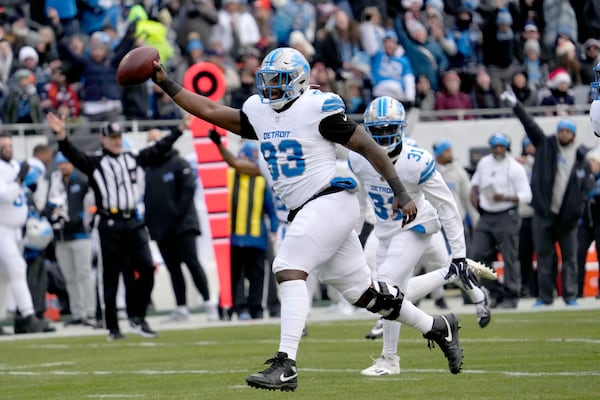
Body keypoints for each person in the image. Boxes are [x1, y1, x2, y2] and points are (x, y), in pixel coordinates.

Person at [151, 46, 463, 391]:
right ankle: (438, 326)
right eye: (266, 80)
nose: (270, 87)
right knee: (364, 294)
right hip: (308, 209)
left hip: (331, 198)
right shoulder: (259, 111)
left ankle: (286, 364)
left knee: (287, 265)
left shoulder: (319, 108)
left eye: (278, 80)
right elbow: (208, 109)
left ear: (298, 81)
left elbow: (370, 147)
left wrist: (401, 193)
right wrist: (167, 83)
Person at [349, 96, 490, 376]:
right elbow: (362, 198)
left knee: (385, 287)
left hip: (416, 225)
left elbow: (447, 206)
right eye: (377, 129)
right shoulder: (358, 158)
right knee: (392, 297)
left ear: (400, 128)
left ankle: (391, 359)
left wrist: (459, 253)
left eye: (389, 128)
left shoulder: (416, 161)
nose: (383, 135)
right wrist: (353, 229)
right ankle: (446, 277)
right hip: (386, 229)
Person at [46, 114, 183, 340]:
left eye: (119, 136)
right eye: (112, 137)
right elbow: (74, 155)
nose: (117, 141)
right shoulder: (96, 161)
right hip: (109, 223)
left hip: (134, 221)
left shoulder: (134, 157)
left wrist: (179, 129)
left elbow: (159, 147)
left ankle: (137, 317)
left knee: (147, 268)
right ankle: (113, 327)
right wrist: (62, 137)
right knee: (111, 276)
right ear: (104, 140)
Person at [501, 89, 594, 307]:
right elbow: (530, 125)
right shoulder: (545, 147)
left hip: (568, 218)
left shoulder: (581, 159)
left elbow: (585, 188)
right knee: (544, 257)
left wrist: (577, 209)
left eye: (567, 131)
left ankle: (570, 296)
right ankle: (545, 297)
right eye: (560, 130)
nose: (563, 134)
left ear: (573, 135)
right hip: (543, 214)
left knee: (570, 258)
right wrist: (516, 105)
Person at [143, 122, 217, 323]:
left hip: (182, 226)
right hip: (161, 229)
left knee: (192, 263)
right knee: (173, 269)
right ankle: (181, 307)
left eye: (154, 140)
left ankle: (209, 303)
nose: (152, 145)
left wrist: (176, 215)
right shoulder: (149, 170)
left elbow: (188, 190)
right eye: (149, 142)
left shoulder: (179, 163)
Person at [469, 132, 532, 309]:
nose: (498, 149)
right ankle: (495, 291)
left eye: (501, 146)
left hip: (507, 214)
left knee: (509, 256)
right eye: (495, 146)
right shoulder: (484, 163)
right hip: (486, 214)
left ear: (507, 147)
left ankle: (512, 294)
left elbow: (527, 195)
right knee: (478, 254)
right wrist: (474, 195)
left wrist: (505, 198)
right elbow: (475, 183)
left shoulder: (514, 167)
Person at [0, 132, 46, 334]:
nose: (8, 149)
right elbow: (5, 194)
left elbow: (28, 185)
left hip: (16, 230)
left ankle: (5, 318)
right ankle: (28, 316)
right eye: (4, 146)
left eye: (9, 145)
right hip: (2, 228)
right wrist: (20, 180)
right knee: (18, 268)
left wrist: (31, 182)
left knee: (4, 277)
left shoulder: (14, 166)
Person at [44, 152, 96, 327]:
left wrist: (78, 218)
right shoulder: (56, 183)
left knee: (84, 274)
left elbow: (90, 204)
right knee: (70, 277)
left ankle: (90, 311)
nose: (62, 167)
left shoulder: (82, 180)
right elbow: (48, 206)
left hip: (81, 235)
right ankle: (77, 312)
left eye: (65, 163)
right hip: (61, 237)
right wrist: (53, 215)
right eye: (59, 164)